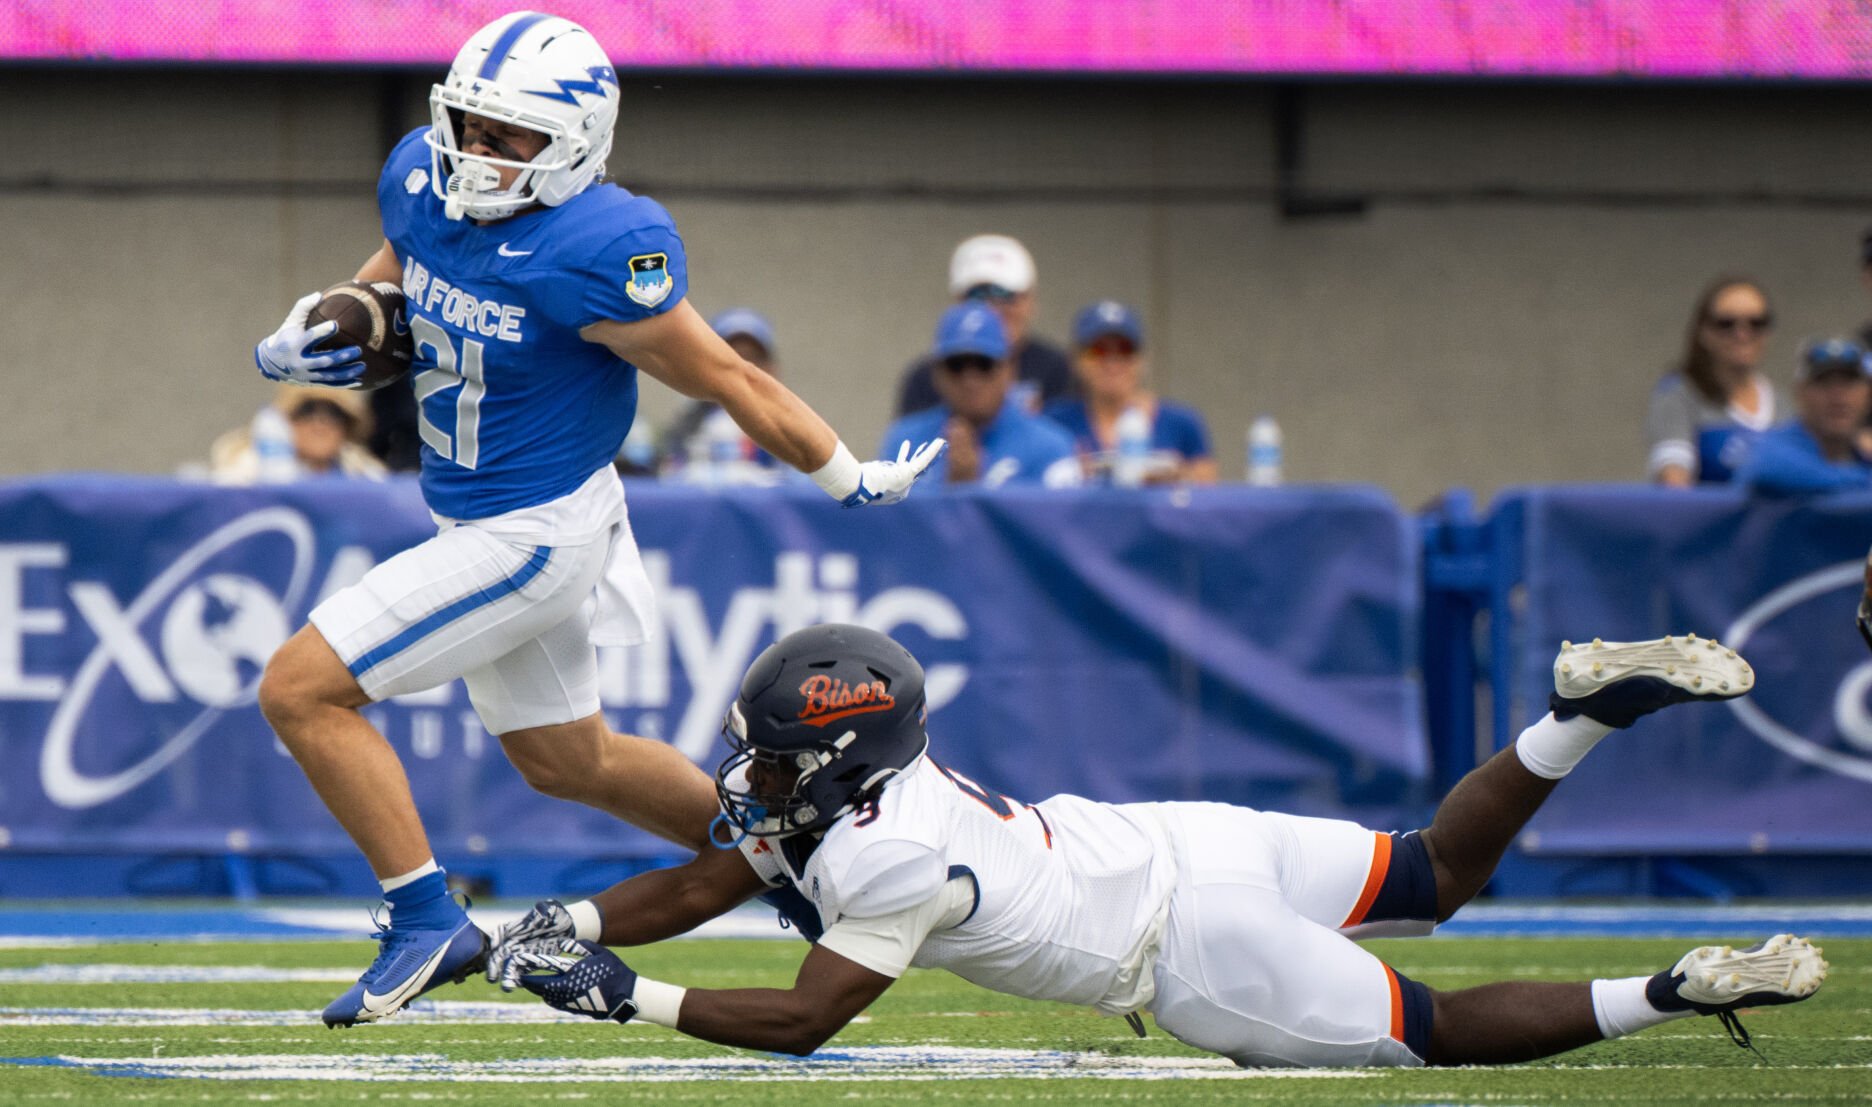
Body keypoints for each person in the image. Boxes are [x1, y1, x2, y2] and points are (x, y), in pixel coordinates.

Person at [246, 11, 943, 1029]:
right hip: (479, 519)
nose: (477, 156)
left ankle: (426, 914)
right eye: (470, 128)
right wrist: (320, 326)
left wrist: (847, 476)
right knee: (570, 760)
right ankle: (786, 852)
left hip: (535, 533)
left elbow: (729, 377)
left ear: (573, 149)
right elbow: (389, 278)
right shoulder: (419, 180)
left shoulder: (596, 248)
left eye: (507, 138)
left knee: (300, 689)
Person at [487, 624, 1824, 1068]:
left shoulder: (882, 849)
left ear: (846, 754)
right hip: (1174, 840)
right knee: (1433, 873)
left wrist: (628, 994)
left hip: (1182, 942)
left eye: (780, 751)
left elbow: (803, 1021)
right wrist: (561, 929)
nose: (754, 769)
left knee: (1441, 1027)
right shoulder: (869, 797)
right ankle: (1574, 716)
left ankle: (1672, 988)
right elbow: (704, 874)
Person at [879, 302, 1079, 487]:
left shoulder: (1051, 446)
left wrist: (971, 491)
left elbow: (1051, 524)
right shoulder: (905, 442)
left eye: (984, 364)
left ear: (1009, 370)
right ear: (937, 373)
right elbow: (889, 520)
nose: (970, 379)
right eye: (956, 365)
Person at [894, 235, 1075, 417]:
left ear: (1030, 301)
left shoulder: (1059, 369)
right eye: (977, 295)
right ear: (957, 301)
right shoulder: (926, 376)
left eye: (1005, 294)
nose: (993, 307)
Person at [1043, 300, 1216, 485]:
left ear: (1143, 359)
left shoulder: (1182, 423)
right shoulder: (1054, 422)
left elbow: (1206, 498)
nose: (1112, 362)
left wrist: (1178, 477)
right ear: (1075, 360)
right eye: (1098, 350)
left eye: (1125, 349)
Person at [1646, 277, 1787, 486]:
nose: (1742, 334)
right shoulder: (1678, 394)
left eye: (1756, 323)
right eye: (1726, 324)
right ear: (1704, 332)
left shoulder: (1782, 403)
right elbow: (1673, 484)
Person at [656, 308, 786, 483]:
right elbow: (667, 476)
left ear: (771, 368)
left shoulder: (787, 424)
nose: (743, 369)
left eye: (752, 359)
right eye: (730, 358)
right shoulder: (687, 424)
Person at [1738, 338, 1872, 495]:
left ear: (1869, 395)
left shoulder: (1862, 455)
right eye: (1824, 383)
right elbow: (1767, 470)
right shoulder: (1777, 445)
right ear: (1800, 393)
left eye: (1849, 383)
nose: (1838, 394)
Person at [208, 384, 389, 485]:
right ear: (282, 421)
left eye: (334, 413)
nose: (320, 425)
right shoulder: (245, 469)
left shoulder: (365, 474)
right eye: (306, 411)